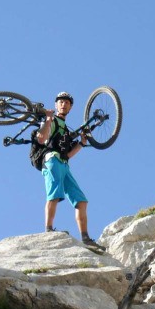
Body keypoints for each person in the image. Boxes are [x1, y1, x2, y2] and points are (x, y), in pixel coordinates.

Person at [35, 91, 105, 252]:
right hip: (51, 160)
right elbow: (41, 138)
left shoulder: (66, 129)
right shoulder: (51, 120)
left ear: (71, 107)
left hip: (64, 163)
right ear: (56, 104)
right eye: (61, 101)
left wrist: (81, 143)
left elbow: (68, 154)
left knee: (81, 201)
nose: (64, 104)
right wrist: (47, 119)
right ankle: (49, 229)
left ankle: (86, 238)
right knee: (54, 194)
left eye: (67, 102)